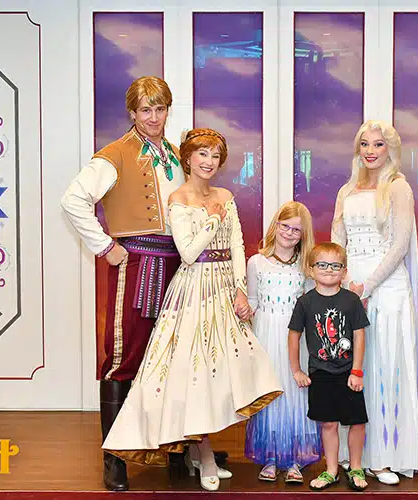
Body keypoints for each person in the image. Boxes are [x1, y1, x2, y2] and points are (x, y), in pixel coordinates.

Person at [101, 128, 283, 491]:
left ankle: (198, 451)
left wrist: (240, 290)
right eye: (202, 155)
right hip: (193, 288)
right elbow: (186, 251)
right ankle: (203, 455)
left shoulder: (226, 196)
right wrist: (213, 217)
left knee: (222, 370)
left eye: (215, 156)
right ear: (187, 158)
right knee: (193, 370)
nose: (209, 162)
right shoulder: (178, 197)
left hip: (222, 289)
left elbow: (235, 246)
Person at [61, 76, 187, 491]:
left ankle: (172, 449)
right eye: (145, 110)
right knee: (124, 354)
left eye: (160, 108)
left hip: (177, 265)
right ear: (132, 113)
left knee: (171, 357)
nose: (154, 117)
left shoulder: (174, 154)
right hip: (138, 265)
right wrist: (104, 246)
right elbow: (73, 200)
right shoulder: (114, 153)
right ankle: (114, 458)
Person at [331, 120, 418, 484]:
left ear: (389, 149)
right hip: (351, 283)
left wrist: (367, 286)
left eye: (378, 145)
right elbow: (336, 240)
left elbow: (400, 245)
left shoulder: (398, 188)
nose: (370, 151)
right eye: (364, 145)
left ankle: (385, 456)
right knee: (355, 368)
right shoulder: (346, 190)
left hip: (387, 288)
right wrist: (341, 281)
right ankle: (350, 454)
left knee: (387, 364)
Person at [244, 201, 322, 484]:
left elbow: (314, 304)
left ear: (304, 235)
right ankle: (270, 456)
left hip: (294, 337)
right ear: (275, 226)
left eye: (296, 230)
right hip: (265, 334)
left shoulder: (306, 268)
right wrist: (242, 310)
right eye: (285, 226)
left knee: (294, 393)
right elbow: (252, 301)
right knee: (270, 391)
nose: (289, 233)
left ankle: (294, 459)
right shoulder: (256, 262)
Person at [288, 242, 370, 491]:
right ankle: (331, 470)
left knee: (356, 421)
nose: (329, 270)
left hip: (348, 373)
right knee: (328, 423)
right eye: (322, 264)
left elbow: (359, 336)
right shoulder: (305, 303)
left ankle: (356, 466)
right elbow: (293, 336)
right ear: (311, 270)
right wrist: (296, 370)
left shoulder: (351, 300)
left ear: (344, 272)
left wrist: (357, 370)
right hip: (320, 373)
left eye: (335, 265)